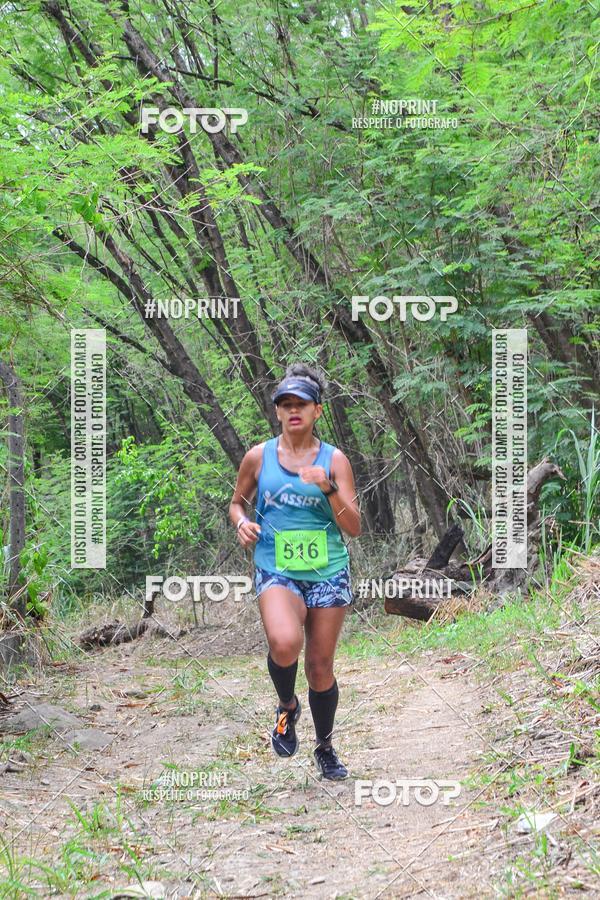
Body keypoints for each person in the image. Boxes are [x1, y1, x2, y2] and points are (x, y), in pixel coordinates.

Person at [229, 363, 361, 780]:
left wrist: (328, 487)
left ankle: (325, 747)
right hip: (276, 566)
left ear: (317, 410)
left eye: (301, 403)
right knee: (284, 643)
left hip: (327, 569)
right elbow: (236, 503)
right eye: (284, 405)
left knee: (320, 668)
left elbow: (353, 527)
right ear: (278, 413)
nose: (292, 411)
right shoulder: (258, 456)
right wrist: (240, 523)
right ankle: (287, 705)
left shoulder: (334, 460)